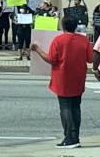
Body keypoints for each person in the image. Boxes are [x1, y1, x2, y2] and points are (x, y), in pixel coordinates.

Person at [31, 17, 93, 149]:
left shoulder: (58, 40)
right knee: (76, 107)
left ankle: (70, 137)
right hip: (79, 77)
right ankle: (75, 136)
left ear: (63, 26)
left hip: (62, 77)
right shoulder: (84, 40)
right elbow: (90, 58)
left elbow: (51, 59)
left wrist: (38, 49)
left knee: (65, 107)